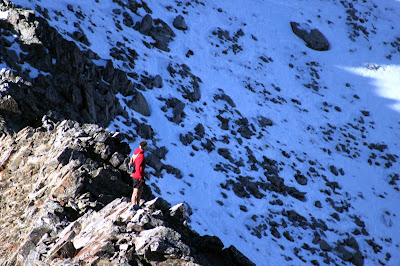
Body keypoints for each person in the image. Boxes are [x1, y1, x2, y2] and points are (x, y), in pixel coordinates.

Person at [129, 140, 147, 206]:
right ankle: (134, 206)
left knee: (138, 191)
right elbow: (138, 167)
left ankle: (136, 205)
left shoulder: (135, 153)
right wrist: (140, 178)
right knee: (136, 192)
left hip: (135, 174)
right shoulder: (141, 155)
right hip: (138, 175)